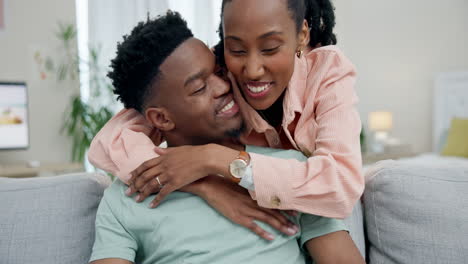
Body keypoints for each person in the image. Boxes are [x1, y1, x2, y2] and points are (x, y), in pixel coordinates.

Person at [89, 12, 364, 264]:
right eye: (199, 88)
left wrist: (214, 162)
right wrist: (205, 184)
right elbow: (108, 140)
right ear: (161, 119)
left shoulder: (291, 174)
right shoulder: (125, 198)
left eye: (219, 72)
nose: (223, 87)